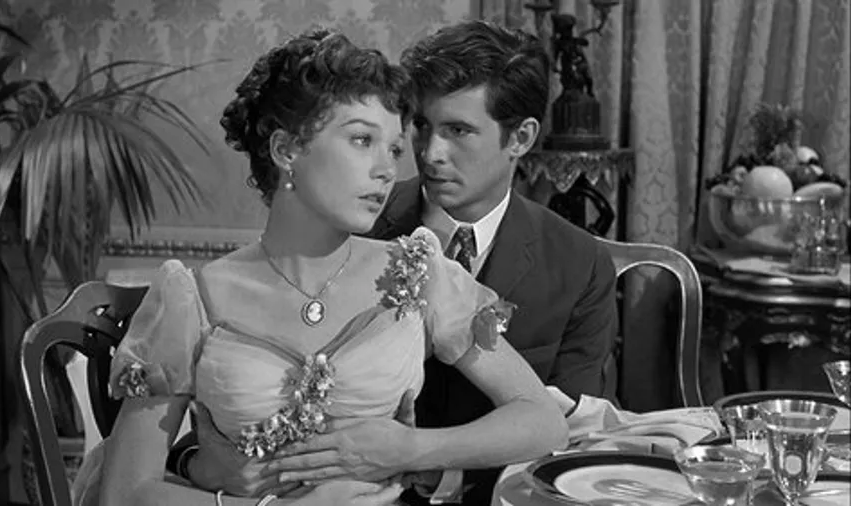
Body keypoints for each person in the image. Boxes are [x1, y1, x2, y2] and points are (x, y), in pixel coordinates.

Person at [74, 27, 569, 506]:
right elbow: (125, 493)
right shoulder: (193, 297)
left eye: (395, 149)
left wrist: (413, 449)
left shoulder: (415, 273)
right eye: (362, 140)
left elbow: (542, 421)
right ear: (287, 149)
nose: (386, 169)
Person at [247, 20, 620, 505]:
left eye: (458, 130)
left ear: (521, 138)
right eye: (422, 126)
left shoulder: (580, 262)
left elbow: (573, 437)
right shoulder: (349, 225)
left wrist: (417, 456)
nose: (430, 153)